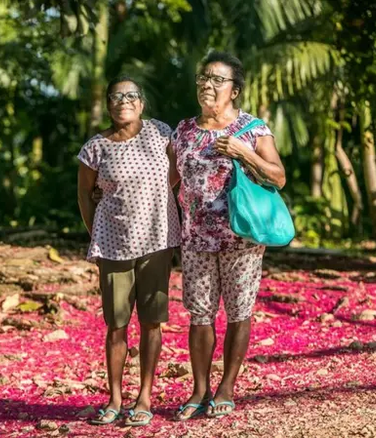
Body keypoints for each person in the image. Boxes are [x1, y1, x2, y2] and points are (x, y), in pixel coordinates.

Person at [169, 52, 286, 420]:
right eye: (203, 77)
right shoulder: (184, 130)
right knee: (199, 315)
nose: (207, 84)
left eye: (217, 80)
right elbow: (169, 180)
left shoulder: (253, 129)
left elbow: (278, 176)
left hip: (242, 239)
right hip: (196, 239)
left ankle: (227, 387)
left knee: (239, 312)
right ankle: (200, 389)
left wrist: (242, 152)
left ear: (234, 90)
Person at [77, 76, 181, 427]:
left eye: (131, 95)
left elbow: (176, 172)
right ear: (108, 105)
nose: (124, 100)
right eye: (116, 96)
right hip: (113, 246)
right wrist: (98, 233)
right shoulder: (96, 147)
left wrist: (154, 199)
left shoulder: (161, 132)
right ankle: (115, 399)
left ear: (141, 103)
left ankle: (145, 398)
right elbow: (84, 194)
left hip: (157, 242)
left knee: (152, 321)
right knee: (116, 324)